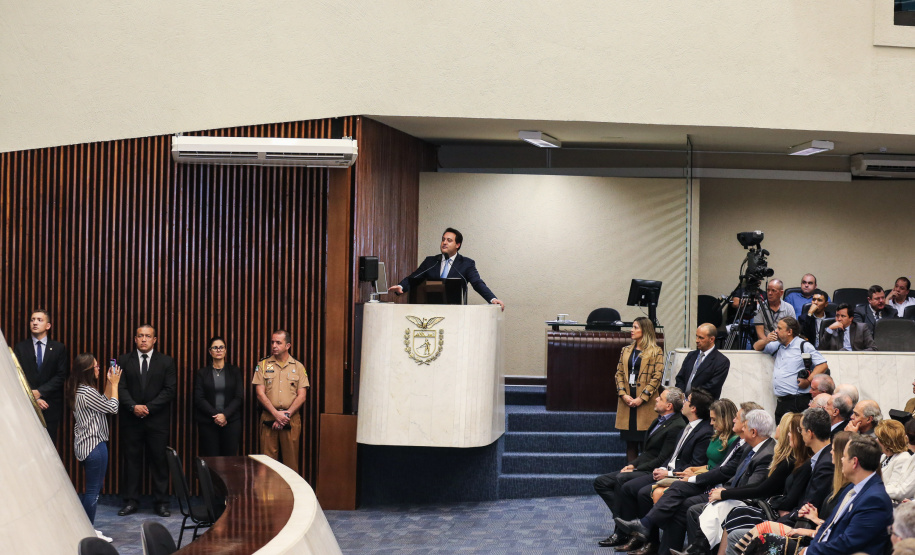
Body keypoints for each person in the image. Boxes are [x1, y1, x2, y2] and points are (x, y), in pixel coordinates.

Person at [615, 408, 775, 555]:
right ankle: (655, 535)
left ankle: (689, 549)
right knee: (678, 491)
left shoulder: (764, 453)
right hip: (721, 489)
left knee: (688, 507)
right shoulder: (748, 446)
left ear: (753, 432)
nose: (735, 421)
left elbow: (750, 488)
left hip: (737, 500)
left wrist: (723, 493)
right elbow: (726, 470)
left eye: (744, 425)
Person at [674, 412, 807, 555]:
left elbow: (762, 489)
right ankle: (696, 549)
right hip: (760, 501)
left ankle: (697, 550)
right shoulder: (761, 451)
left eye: (781, 425)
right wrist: (723, 492)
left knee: (726, 511)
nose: (778, 428)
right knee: (711, 507)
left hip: (768, 507)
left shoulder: (785, 459)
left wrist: (725, 493)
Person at [601, 389, 716, 551]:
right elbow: (673, 456)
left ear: (693, 408)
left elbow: (693, 465)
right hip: (667, 471)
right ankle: (640, 535)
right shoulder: (687, 426)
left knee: (642, 492)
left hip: (679, 476)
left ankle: (650, 541)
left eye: (687, 401)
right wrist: (663, 468)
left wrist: (668, 473)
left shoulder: (702, 432)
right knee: (628, 488)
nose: (684, 403)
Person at [594, 387, 687, 547]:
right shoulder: (659, 420)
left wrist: (636, 469)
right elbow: (647, 452)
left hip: (654, 469)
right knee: (601, 482)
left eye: (661, 398)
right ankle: (627, 520)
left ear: (669, 406)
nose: (656, 399)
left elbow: (661, 458)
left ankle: (622, 531)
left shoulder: (676, 425)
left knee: (622, 480)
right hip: (643, 465)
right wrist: (632, 464)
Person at [117, 324, 177, 517]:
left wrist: (149, 408)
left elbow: (169, 390)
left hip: (156, 421)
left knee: (159, 462)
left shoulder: (166, 362)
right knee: (131, 461)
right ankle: (131, 501)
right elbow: (119, 387)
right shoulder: (124, 360)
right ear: (135, 339)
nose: (144, 339)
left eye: (148, 336)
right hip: (131, 419)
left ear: (155, 340)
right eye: (140, 336)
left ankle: (161, 503)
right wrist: (133, 406)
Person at [804, 434, 893, 555]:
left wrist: (808, 552)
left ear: (854, 462)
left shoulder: (875, 500)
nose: (841, 459)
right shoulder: (852, 488)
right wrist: (810, 550)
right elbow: (828, 525)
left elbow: (848, 544)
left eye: (844, 456)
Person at [648, 398, 739, 505]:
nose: (711, 423)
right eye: (711, 419)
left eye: (714, 419)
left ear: (725, 419)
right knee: (657, 491)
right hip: (701, 473)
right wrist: (692, 469)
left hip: (711, 482)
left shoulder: (734, 441)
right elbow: (708, 464)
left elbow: (720, 470)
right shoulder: (716, 436)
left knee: (663, 492)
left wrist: (693, 475)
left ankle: (649, 522)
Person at [388, 227, 504, 310]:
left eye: (449, 240)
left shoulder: (466, 264)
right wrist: (401, 286)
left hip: (455, 313)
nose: (444, 242)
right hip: (429, 311)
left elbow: (477, 283)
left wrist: (492, 299)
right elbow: (414, 277)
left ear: (458, 245)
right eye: (443, 239)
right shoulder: (431, 262)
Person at [70, 353, 120, 542]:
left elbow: (103, 402)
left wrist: (108, 383)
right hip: (94, 446)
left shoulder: (80, 389)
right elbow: (113, 408)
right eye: (97, 367)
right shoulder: (87, 392)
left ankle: (86, 528)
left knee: (92, 489)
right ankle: (87, 532)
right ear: (88, 370)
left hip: (84, 446)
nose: (99, 369)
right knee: (93, 491)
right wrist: (115, 384)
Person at [253, 330, 309, 469]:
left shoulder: (298, 366)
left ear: (288, 345)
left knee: (291, 464)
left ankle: (288, 491)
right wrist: (276, 414)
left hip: (291, 419)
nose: (274, 345)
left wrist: (286, 414)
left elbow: (302, 395)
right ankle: (268, 492)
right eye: (272, 342)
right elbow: (260, 393)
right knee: (266, 466)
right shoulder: (263, 365)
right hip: (268, 418)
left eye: (278, 342)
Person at [754, 316, 828, 422]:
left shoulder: (803, 345)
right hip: (781, 402)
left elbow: (823, 365)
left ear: (789, 331)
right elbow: (756, 347)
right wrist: (766, 340)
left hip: (797, 400)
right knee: (782, 435)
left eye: (779, 328)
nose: (776, 331)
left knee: (796, 435)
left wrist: (808, 380)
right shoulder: (778, 345)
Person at [13, 308, 69, 443]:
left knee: (48, 447)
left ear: (48, 326)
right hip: (26, 405)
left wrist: (41, 392)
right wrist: (33, 397)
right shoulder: (21, 347)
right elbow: (17, 374)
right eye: (32, 320)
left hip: (50, 406)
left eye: (39, 320)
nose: (35, 323)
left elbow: (61, 375)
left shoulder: (58, 348)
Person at [615, 317, 666, 461]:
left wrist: (641, 398)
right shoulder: (625, 350)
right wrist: (623, 394)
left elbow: (657, 377)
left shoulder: (656, 351)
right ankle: (629, 477)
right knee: (630, 444)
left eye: (636, 327)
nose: (632, 330)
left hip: (645, 402)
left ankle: (642, 475)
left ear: (645, 330)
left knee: (646, 444)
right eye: (632, 327)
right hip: (627, 401)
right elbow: (618, 374)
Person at [194, 336, 245, 457]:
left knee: (229, 460)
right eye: (215, 348)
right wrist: (216, 416)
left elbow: (239, 397)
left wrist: (225, 415)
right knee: (211, 460)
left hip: (231, 422)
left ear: (226, 350)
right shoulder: (202, 373)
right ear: (209, 351)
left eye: (221, 347)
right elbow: (199, 398)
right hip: (208, 422)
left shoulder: (234, 371)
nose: (218, 350)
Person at [674, 324, 730, 399]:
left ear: (711, 339)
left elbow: (712, 387)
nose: (697, 340)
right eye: (696, 336)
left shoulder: (721, 361)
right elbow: (680, 378)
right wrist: (682, 395)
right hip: (683, 402)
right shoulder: (691, 355)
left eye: (701, 338)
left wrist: (692, 397)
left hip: (704, 405)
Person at [874, 419, 912, 503]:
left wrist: (871, 490)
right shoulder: (884, 456)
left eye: (879, 438)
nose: (876, 440)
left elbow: (894, 487)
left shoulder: (903, 458)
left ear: (887, 442)